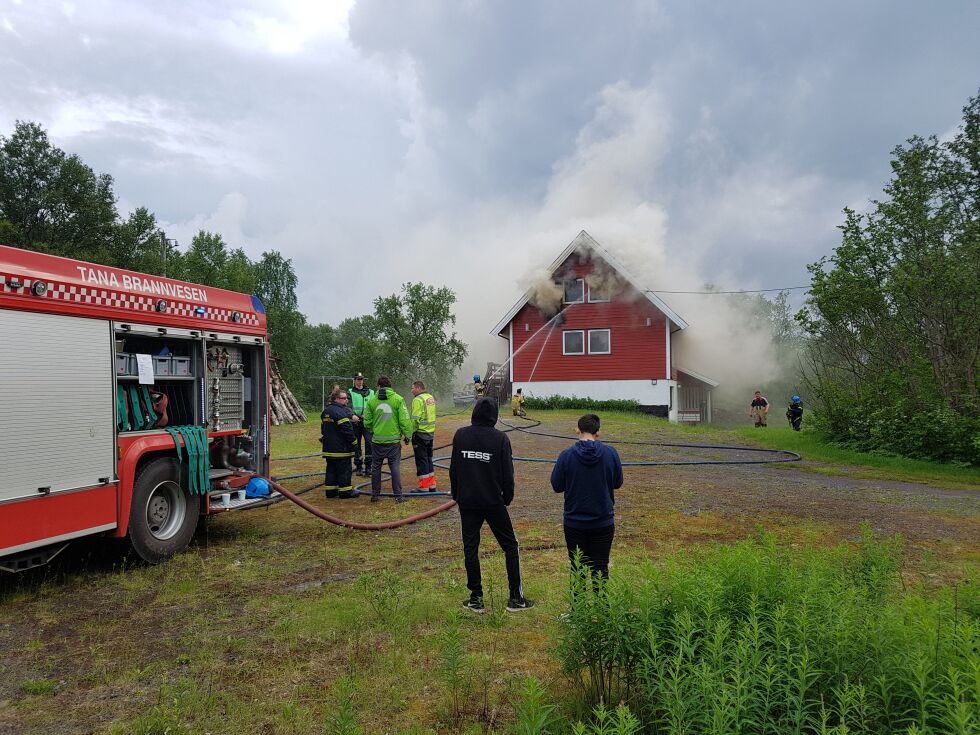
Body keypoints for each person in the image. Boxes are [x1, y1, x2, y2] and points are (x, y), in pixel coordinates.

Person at [449, 397, 533, 613]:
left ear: (475, 412)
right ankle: (516, 599)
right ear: (494, 416)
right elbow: (508, 473)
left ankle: (476, 598)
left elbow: (454, 469)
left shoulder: (461, 435)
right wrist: (507, 498)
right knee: (510, 546)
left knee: (471, 548)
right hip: (493, 501)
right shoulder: (500, 438)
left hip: (468, 501)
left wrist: (457, 495)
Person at [550, 414, 623, 579]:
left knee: (578, 569)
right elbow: (618, 483)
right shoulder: (611, 453)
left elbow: (557, 485)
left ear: (578, 430)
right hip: (603, 521)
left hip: (574, 522)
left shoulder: (566, 455)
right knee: (600, 568)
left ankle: (578, 605)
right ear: (598, 433)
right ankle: (601, 604)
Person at [364, 375, 413, 503]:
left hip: (377, 442)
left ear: (378, 386)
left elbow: (367, 422)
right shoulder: (398, 399)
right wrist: (407, 435)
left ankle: (375, 495)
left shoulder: (371, 401)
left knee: (376, 468)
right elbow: (404, 421)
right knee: (394, 468)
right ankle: (398, 496)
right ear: (390, 387)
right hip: (393, 442)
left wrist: (374, 430)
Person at [320, 388, 357, 499]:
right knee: (344, 470)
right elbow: (347, 431)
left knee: (331, 469)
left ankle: (330, 492)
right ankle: (345, 492)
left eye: (347, 398)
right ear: (336, 399)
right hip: (341, 449)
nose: (346, 400)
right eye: (344, 398)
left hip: (329, 448)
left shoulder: (326, 411)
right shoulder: (340, 412)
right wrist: (354, 443)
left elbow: (323, 429)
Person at [410, 380, 438, 492]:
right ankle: (432, 485)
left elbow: (415, 419)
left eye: (412, 388)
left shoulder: (417, 400)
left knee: (421, 460)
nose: (411, 390)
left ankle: (424, 487)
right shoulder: (430, 397)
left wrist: (410, 432)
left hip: (420, 434)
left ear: (418, 388)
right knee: (428, 459)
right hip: (430, 433)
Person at [349, 372, 375, 477]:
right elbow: (348, 406)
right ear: (354, 380)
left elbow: (374, 405)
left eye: (361, 379)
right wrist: (355, 416)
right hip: (356, 422)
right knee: (356, 444)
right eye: (358, 379)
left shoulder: (371, 392)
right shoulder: (350, 392)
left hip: (367, 422)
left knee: (369, 443)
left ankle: (369, 466)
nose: (360, 381)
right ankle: (359, 466)